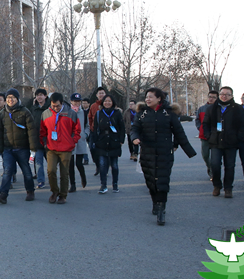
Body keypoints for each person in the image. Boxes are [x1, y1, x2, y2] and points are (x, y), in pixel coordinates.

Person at [131, 88, 196, 226]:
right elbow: (135, 128)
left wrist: (189, 151)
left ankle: (161, 208)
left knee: (162, 181)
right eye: (146, 97)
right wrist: (135, 138)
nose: (147, 99)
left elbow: (179, 132)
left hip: (164, 152)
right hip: (147, 152)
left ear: (159, 98)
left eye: (151, 97)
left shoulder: (169, 113)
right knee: (150, 181)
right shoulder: (142, 113)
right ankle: (155, 201)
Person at [0, 88, 37, 204]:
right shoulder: (2, 113)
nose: (10, 100)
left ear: (17, 99)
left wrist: (33, 147)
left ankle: (30, 191)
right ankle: (3, 195)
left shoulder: (25, 112)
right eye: (8, 98)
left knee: (26, 171)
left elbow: (31, 130)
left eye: (12, 98)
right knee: (7, 172)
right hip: (8, 149)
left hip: (22, 148)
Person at [203, 86, 244, 199]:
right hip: (215, 141)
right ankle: (217, 185)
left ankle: (228, 188)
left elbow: (243, 124)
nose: (224, 96)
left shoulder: (237, 108)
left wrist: (238, 137)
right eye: (222, 94)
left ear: (232, 96)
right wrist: (208, 136)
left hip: (231, 142)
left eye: (227, 94)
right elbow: (205, 124)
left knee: (230, 166)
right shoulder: (212, 108)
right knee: (215, 164)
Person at [40, 92, 81, 204]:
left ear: (62, 103)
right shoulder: (45, 114)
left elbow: (77, 130)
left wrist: (73, 141)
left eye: (57, 106)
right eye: (53, 106)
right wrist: (44, 142)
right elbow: (42, 130)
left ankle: (63, 195)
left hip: (66, 148)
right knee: (51, 171)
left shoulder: (71, 113)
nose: (55, 108)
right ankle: (54, 191)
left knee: (64, 173)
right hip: (51, 148)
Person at [91, 94, 125, 193]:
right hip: (102, 142)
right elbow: (95, 128)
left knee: (114, 165)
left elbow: (122, 128)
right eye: (105, 101)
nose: (107, 103)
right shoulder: (99, 114)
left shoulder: (117, 113)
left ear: (113, 102)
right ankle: (103, 185)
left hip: (114, 141)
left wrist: (121, 140)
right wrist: (95, 140)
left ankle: (115, 184)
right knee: (102, 165)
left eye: (109, 101)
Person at [195, 91, 219, 179]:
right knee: (205, 155)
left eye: (214, 97)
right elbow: (197, 120)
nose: (211, 99)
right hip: (204, 136)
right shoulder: (202, 109)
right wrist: (200, 128)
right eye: (210, 97)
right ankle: (210, 167)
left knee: (215, 157)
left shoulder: (219, 109)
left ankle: (213, 172)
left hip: (216, 136)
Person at [68, 93, 89, 191]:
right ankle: (73, 184)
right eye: (75, 101)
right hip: (70, 140)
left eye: (78, 101)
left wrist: (85, 134)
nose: (77, 103)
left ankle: (83, 178)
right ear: (71, 101)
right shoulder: (67, 112)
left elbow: (87, 125)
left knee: (79, 163)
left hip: (80, 139)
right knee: (70, 164)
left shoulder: (83, 112)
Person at [30, 88, 51, 188]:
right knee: (38, 162)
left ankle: (52, 179)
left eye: (41, 95)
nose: (39, 97)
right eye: (37, 95)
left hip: (48, 140)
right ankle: (41, 181)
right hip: (37, 140)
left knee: (51, 163)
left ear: (45, 96)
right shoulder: (33, 109)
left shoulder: (50, 108)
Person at [87, 87, 107, 176]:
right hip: (94, 131)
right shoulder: (93, 106)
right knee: (92, 148)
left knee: (104, 150)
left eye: (102, 93)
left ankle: (104, 167)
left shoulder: (108, 104)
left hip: (105, 132)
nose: (101, 95)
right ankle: (98, 165)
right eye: (100, 93)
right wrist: (92, 127)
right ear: (97, 95)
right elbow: (90, 117)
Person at [81, 98, 91, 164]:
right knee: (83, 145)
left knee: (91, 145)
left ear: (89, 104)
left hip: (90, 129)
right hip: (83, 129)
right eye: (83, 103)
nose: (84, 105)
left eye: (85, 103)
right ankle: (85, 159)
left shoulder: (90, 111)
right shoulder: (81, 111)